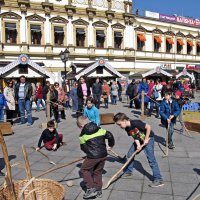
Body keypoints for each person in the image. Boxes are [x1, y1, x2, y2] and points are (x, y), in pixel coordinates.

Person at [113, 112, 164, 188]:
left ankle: (158, 179)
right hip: (140, 139)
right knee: (130, 154)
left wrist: (146, 139)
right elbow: (134, 136)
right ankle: (129, 171)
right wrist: (138, 145)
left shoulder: (136, 123)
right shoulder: (127, 128)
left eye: (119, 124)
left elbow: (149, 127)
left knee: (151, 159)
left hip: (149, 139)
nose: (120, 126)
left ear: (124, 120)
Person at [77, 115, 115, 199]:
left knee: (84, 169)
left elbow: (84, 148)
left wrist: (89, 153)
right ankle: (98, 191)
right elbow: (110, 135)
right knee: (97, 171)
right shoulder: (100, 129)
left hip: (93, 156)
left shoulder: (82, 136)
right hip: (104, 155)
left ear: (81, 126)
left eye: (80, 128)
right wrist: (110, 145)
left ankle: (91, 189)